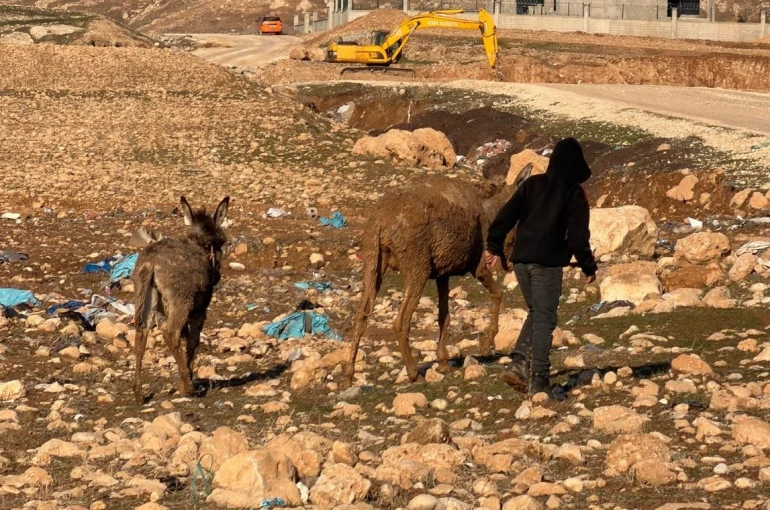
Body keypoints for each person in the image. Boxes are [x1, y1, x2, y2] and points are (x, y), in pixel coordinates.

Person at [484, 137, 597, 397]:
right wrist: (588, 267)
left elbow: (505, 216)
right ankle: (539, 380)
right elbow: (579, 238)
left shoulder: (532, 184)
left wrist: (493, 246)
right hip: (547, 265)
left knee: (537, 312)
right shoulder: (574, 193)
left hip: (521, 263)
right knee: (545, 318)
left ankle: (519, 363)